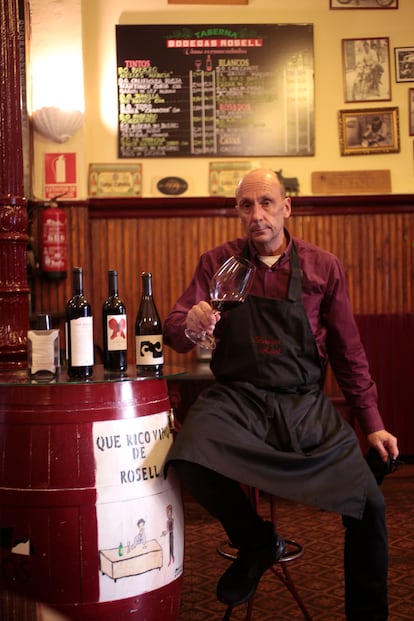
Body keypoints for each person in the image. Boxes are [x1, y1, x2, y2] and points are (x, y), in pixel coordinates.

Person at [164, 168, 399, 620]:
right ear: (237, 211)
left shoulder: (322, 267)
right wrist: (189, 324)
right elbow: (176, 327)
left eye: (267, 203)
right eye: (247, 205)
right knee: (187, 457)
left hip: (303, 404)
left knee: (368, 502)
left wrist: (373, 422)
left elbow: (348, 351)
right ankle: (256, 541)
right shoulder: (218, 264)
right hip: (236, 400)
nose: (257, 215)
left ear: (287, 207)